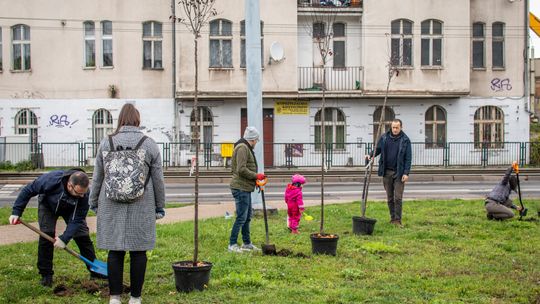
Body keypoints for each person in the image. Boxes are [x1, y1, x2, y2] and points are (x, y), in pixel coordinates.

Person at [90, 103, 165, 304]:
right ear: (137, 120)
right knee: (139, 251)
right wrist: (159, 206)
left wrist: (93, 201)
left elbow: (98, 176)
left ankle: (114, 297)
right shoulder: (149, 144)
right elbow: (158, 179)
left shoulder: (106, 142)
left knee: (115, 250)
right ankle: (135, 297)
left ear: (120, 120)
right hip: (142, 203)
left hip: (111, 203)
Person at [9, 168, 104, 287]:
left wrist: (64, 238)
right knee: (46, 236)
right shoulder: (50, 180)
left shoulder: (84, 196)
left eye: (83, 193)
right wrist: (16, 211)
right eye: (79, 193)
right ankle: (46, 275)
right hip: (48, 205)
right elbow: (29, 190)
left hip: (71, 210)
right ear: (70, 185)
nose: (81, 196)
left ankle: (94, 269)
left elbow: (77, 219)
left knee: (82, 236)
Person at [366, 119, 412, 226]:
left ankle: (397, 220)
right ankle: (392, 218)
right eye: (393, 127)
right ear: (391, 127)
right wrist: (371, 154)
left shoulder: (405, 140)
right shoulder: (384, 137)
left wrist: (406, 173)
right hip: (386, 172)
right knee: (390, 198)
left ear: (401, 127)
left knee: (398, 198)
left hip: (399, 173)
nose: (395, 129)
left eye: (397, 127)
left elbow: (408, 158)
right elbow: (378, 149)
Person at [228, 126, 266, 253]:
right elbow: (241, 169)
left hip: (245, 187)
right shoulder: (243, 148)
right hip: (240, 187)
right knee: (241, 217)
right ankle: (232, 244)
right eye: (257, 140)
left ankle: (247, 243)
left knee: (247, 216)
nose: (256, 142)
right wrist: (256, 176)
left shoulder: (245, 147)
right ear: (253, 139)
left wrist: (255, 179)